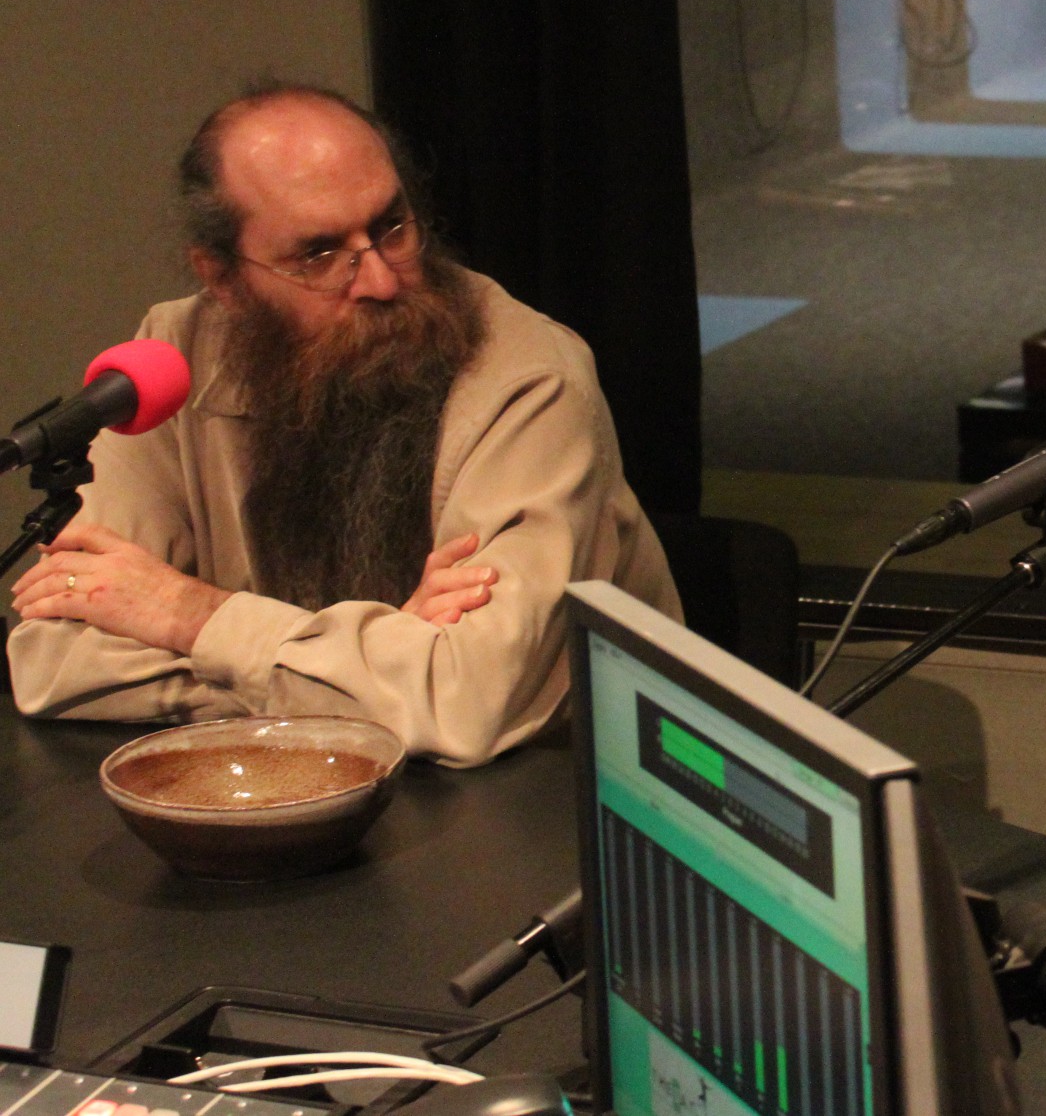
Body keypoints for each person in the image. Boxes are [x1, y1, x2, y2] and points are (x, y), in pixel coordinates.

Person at [6, 82, 681, 766]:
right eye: (319, 255)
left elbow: (466, 702)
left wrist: (188, 616)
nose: (382, 281)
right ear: (224, 279)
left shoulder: (531, 379)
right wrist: (381, 668)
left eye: (392, 227)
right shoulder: (172, 358)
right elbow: (53, 663)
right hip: (293, 789)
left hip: (556, 798)